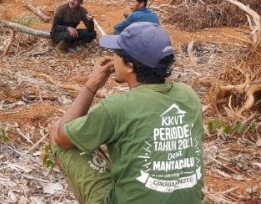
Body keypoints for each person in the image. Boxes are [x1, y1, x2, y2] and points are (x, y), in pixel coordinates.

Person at [48, 22, 204, 204]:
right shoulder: (188, 95)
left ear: (129, 65)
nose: (112, 57)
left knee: (55, 132)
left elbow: (61, 136)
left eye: (116, 53)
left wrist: (91, 85)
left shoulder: (117, 107)